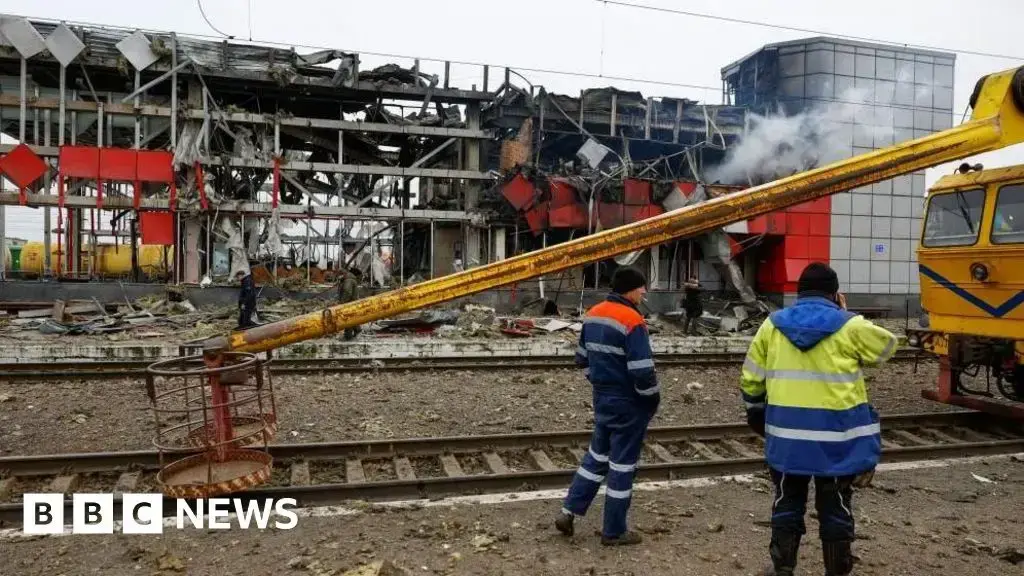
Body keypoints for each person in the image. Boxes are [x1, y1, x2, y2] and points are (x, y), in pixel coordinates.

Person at [740, 262, 898, 576]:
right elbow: (887, 348)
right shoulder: (850, 325)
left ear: (799, 293)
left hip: (786, 438)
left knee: (787, 500)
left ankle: (782, 568)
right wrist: (848, 314)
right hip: (837, 441)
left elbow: (751, 380)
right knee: (835, 504)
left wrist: (756, 414)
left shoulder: (772, 325)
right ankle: (836, 570)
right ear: (835, 293)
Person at [555, 266, 660, 546]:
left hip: (603, 399)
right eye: (641, 287)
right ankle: (614, 531)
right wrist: (651, 398)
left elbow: (581, 359)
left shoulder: (594, 314)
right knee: (622, 466)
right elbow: (642, 370)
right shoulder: (632, 320)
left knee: (596, 458)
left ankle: (568, 512)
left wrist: (599, 383)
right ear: (630, 289)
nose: (644, 292)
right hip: (628, 402)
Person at [338, 266, 362, 340]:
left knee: (348, 319)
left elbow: (347, 292)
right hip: (351, 302)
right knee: (352, 318)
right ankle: (357, 330)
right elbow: (347, 291)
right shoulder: (350, 279)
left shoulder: (349, 280)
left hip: (349, 303)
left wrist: (342, 302)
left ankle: (348, 336)